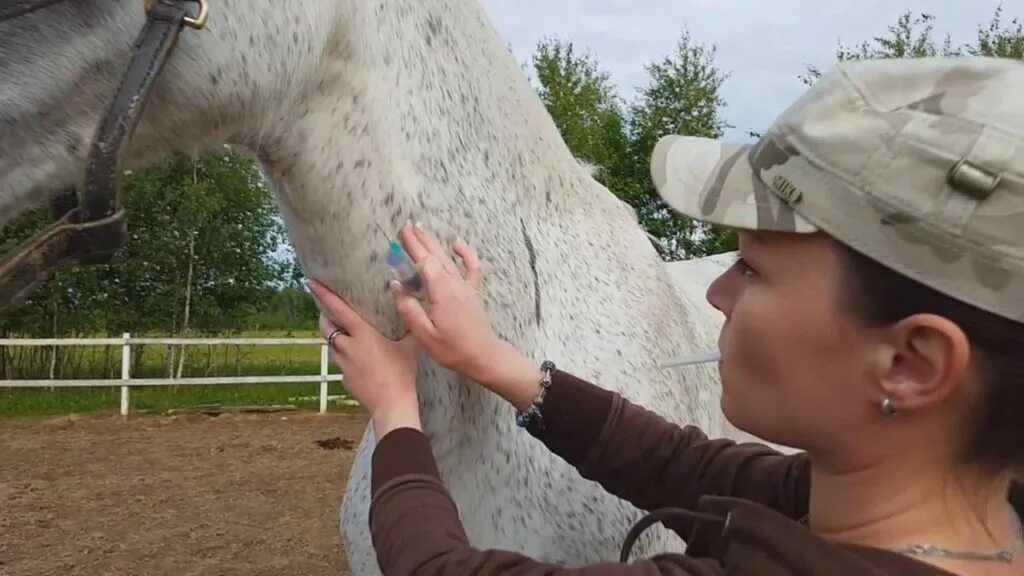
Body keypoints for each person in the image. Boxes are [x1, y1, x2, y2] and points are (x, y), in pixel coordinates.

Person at [308, 55, 1024, 576]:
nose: (716, 292)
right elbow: (684, 465)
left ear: (913, 363)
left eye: (752, 269)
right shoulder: (937, 510)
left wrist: (397, 411)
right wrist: (492, 360)